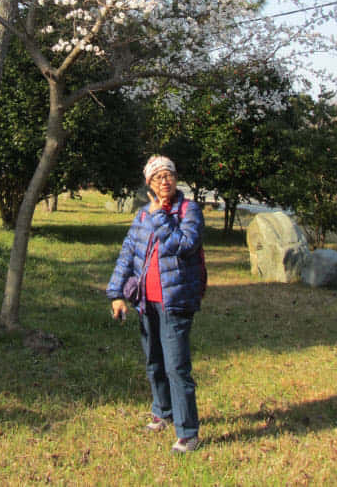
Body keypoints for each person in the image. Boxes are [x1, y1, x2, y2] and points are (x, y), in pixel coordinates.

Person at [107, 155, 205, 453]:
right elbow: (128, 254)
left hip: (175, 302)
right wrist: (116, 294)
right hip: (146, 302)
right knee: (154, 361)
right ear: (148, 183)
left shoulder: (189, 211)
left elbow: (184, 246)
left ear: (176, 180)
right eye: (158, 176)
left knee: (177, 366)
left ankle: (188, 432)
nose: (165, 180)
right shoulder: (141, 216)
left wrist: (159, 216)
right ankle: (162, 412)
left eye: (169, 175)